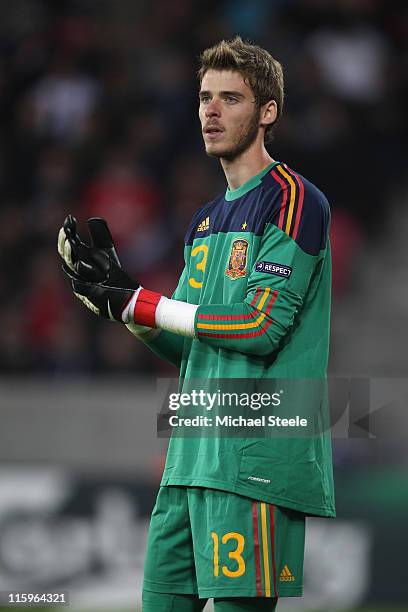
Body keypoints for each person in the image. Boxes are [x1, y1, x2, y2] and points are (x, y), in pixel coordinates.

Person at [58, 37, 335, 612]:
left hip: (253, 458)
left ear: (267, 112)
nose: (210, 110)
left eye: (229, 98)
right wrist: (119, 303)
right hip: (189, 458)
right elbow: (184, 341)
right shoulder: (206, 219)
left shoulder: (293, 200)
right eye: (205, 97)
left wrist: (142, 303)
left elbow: (259, 328)